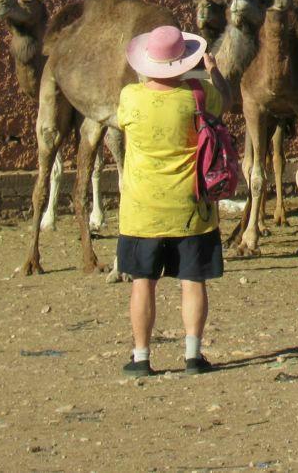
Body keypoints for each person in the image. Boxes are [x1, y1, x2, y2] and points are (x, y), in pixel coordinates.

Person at [117, 24, 235, 377]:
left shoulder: (130, 98)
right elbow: (226, 99)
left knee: (142, 282)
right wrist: (213, 70)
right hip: (191, 208)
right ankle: (193, 356)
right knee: (192, 281)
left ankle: (141, 358)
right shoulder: (198, 96)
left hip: (142, 210)